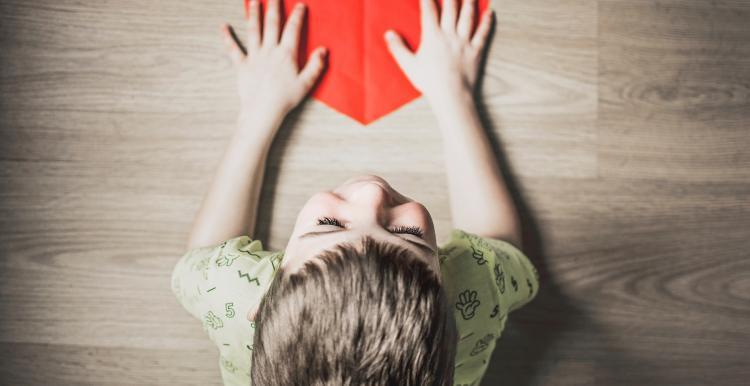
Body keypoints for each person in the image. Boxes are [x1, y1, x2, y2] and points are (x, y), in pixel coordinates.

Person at [170, 0, 540, 384]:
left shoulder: (229, 293)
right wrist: (454, 94)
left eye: (329, 224)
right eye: (408, 234)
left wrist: (258, 111)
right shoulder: (472, 301)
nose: (372, 193)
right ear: (451, 301)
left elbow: (202, 258)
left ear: (260, 304)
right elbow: (502, 247)